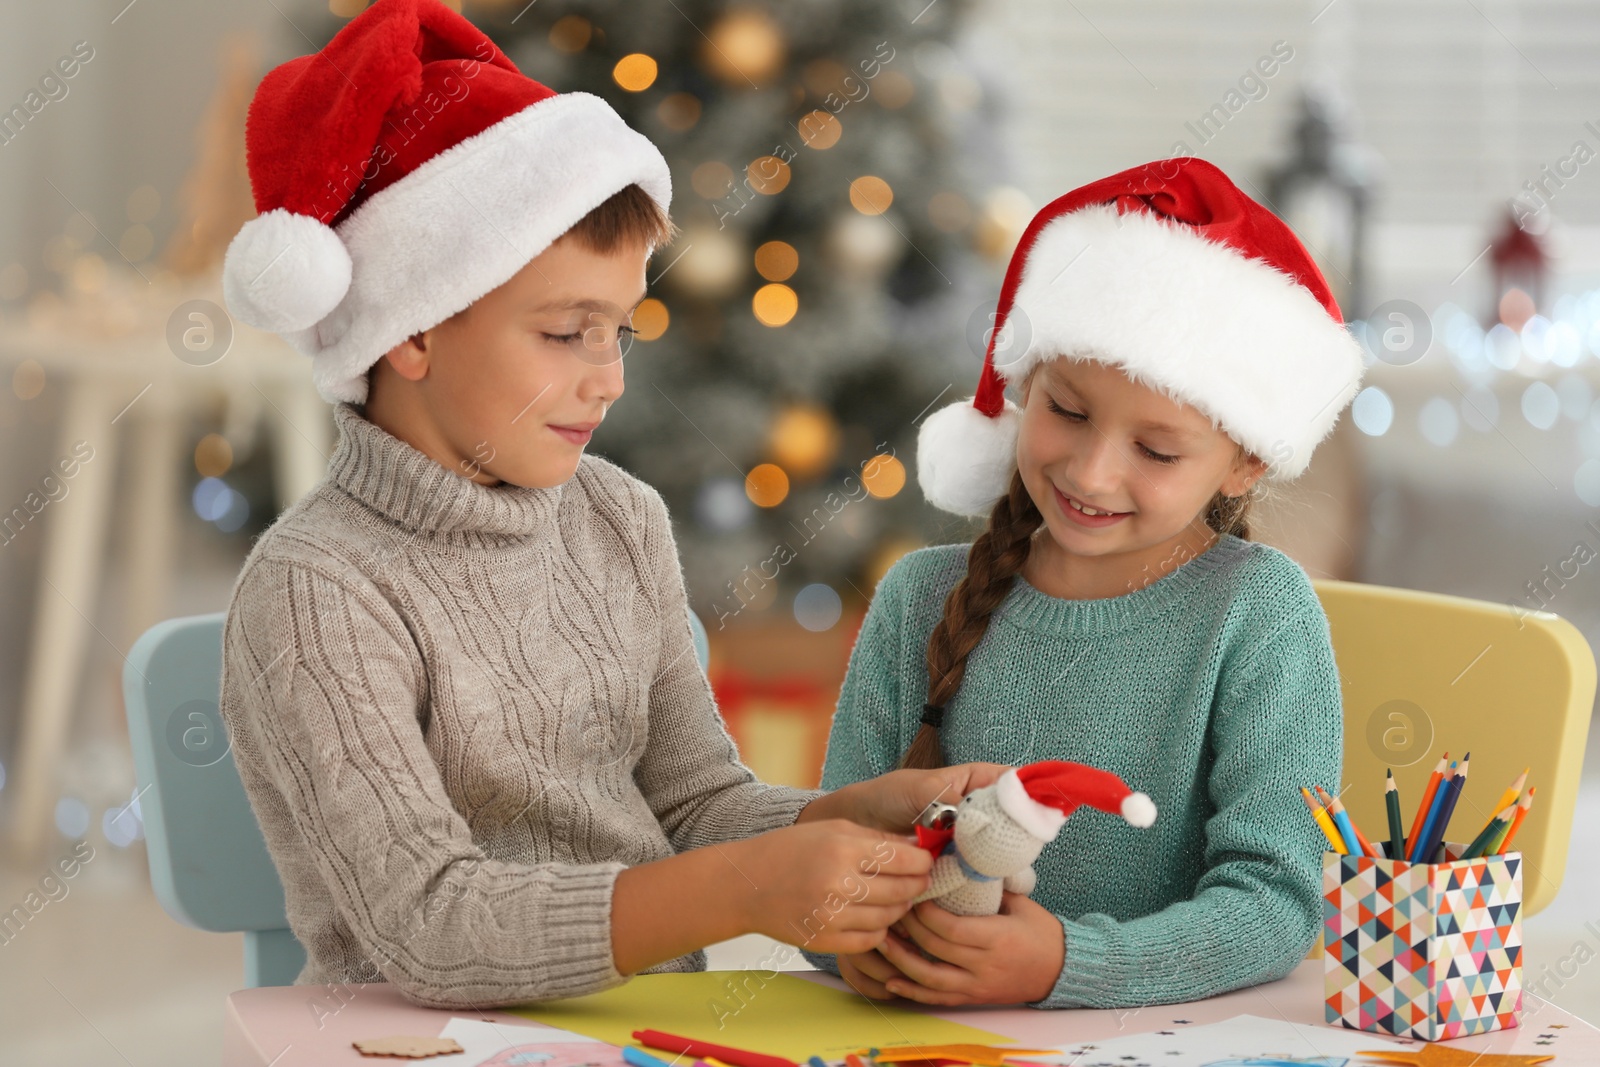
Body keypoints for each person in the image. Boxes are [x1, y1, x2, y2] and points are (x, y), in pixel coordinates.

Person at [216, 0, 1002, 1010]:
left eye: (619, 330)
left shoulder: (618, 518)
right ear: (409, 331)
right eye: (564, 332)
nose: (609, 379)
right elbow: (430, 926)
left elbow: (692, 803)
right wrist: (743, 888)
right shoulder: (317, 589)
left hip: (637, 1028)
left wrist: (847, 815)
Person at [803, 156, 1364, 1009]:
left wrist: (1068, 962)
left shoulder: (1259, 614)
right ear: (1025, 383)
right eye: (1067, 409)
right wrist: (855, 947)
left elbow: (1279, 903)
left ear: (1244, 461)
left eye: (1158, 450)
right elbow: (834, 850)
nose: (1093, 474)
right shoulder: (918, 597)